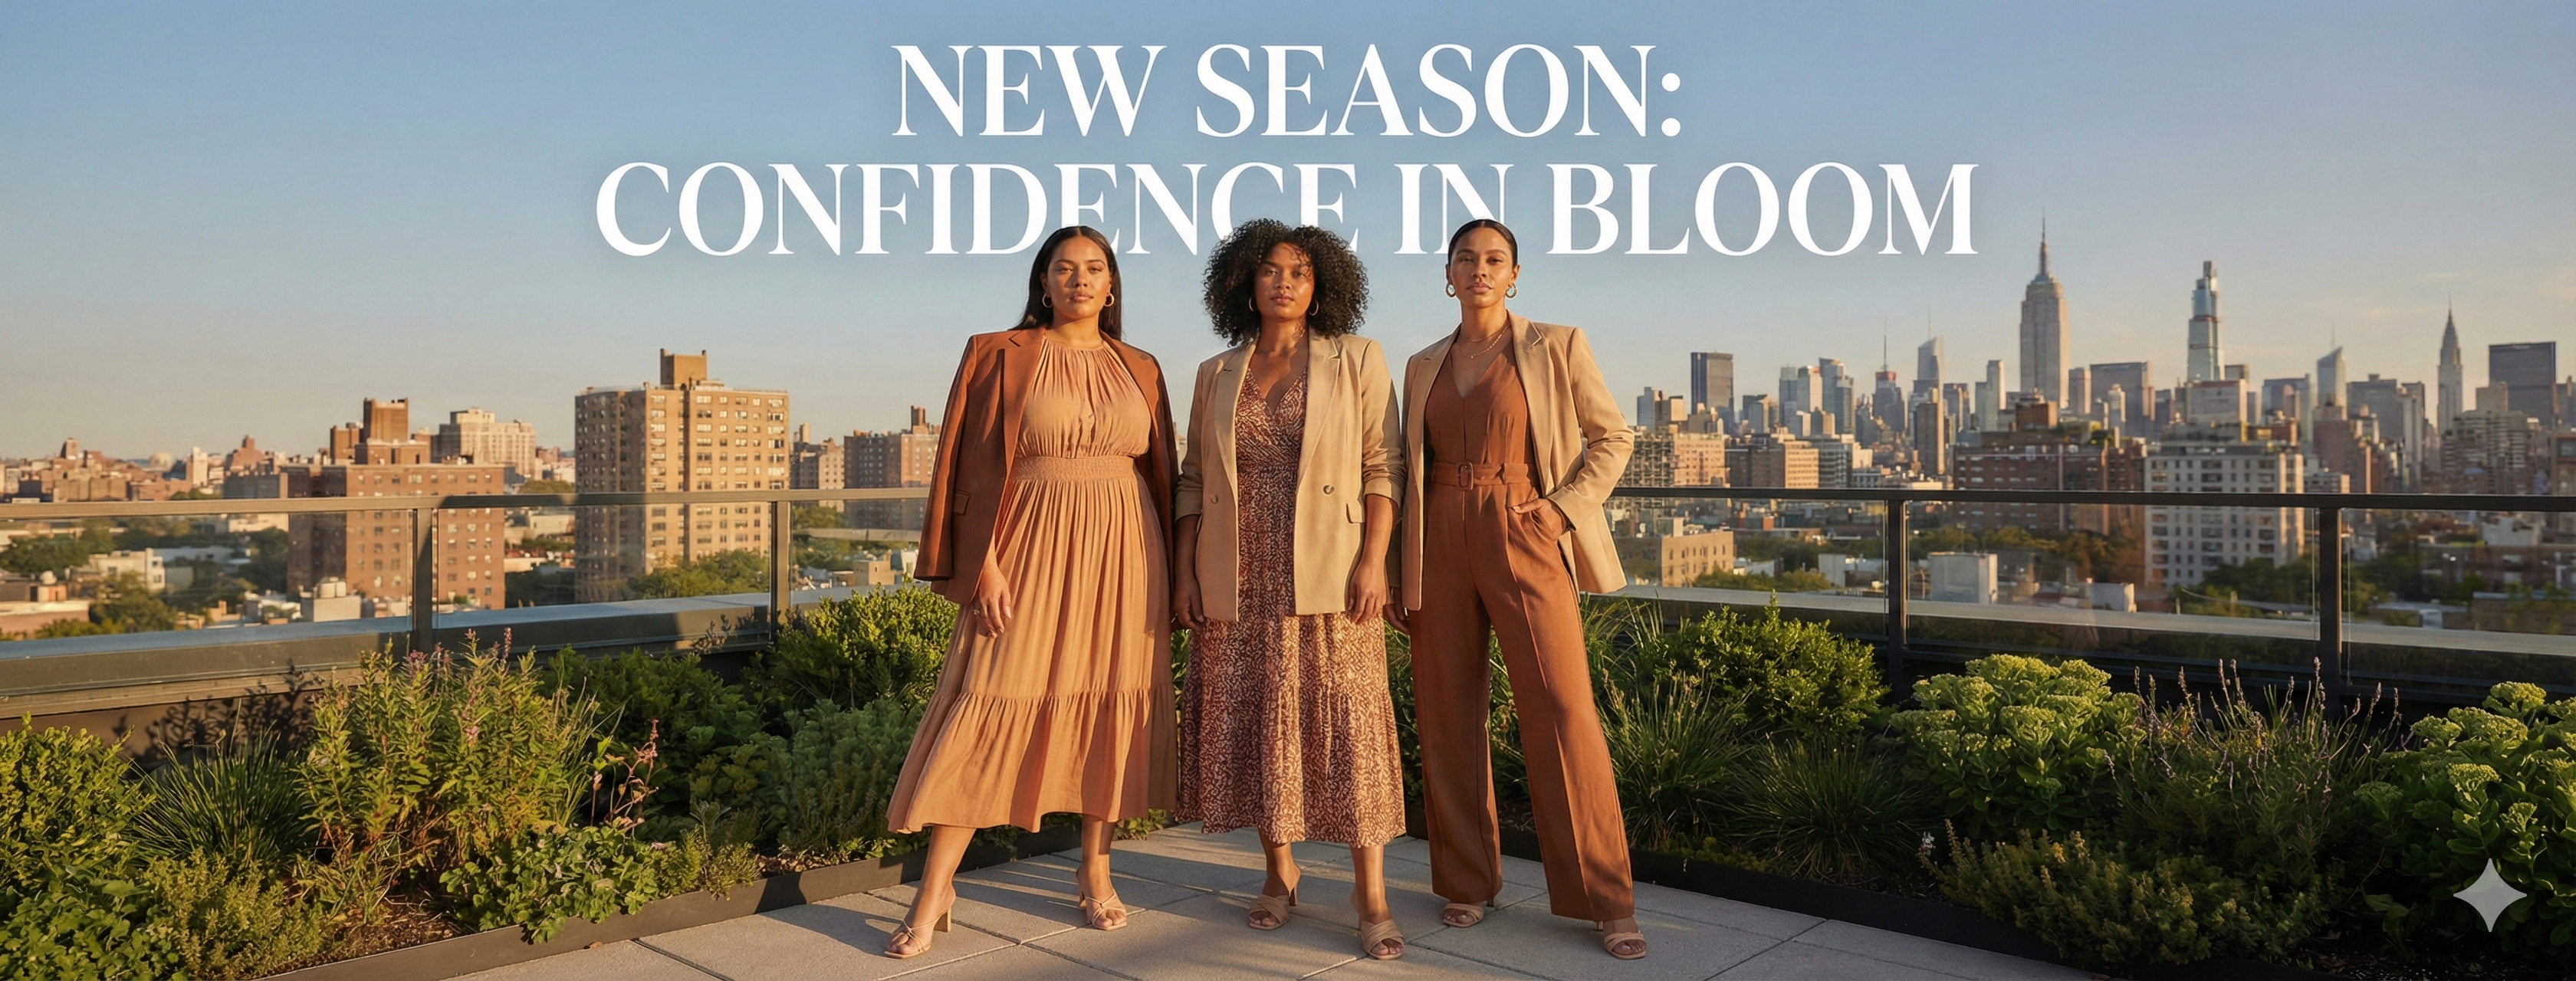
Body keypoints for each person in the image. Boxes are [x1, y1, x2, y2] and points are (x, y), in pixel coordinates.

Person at [882, 225, 1178, 959]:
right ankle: (935, 889)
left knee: (1110, 700)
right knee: (990, 693)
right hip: (1026, 543)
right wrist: (978, 561)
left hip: (1125, 549)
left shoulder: (1141, 365)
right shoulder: (997, 353)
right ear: (1042, 282)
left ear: (1112, 285)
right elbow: (959, 465)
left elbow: (1162, 473)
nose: (1080, 280)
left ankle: (1095, 871)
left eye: (1095, 268)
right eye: (1064, 268)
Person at [1396, 219, 1645, 960]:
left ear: (1514, 274)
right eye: (1466, 258)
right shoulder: (1421, 364)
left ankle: (1606, 899)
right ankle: (1467, 883)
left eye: (1494, 258)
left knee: (1563, 708)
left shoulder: (1556, 344)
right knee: (1446, 711)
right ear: (1448, 273)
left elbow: (1614, 438)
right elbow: (1402, 465)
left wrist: (1561, 508)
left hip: (1524, 525)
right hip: (1438, 532)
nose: (1479, 268)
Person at [1171, 220, 1407, 961]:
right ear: (1245, 281)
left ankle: (1371, 893)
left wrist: (1376, 560)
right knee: (1259, 720)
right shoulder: (1215, 371)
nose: (1284, 283)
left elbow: (1383, 464)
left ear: (1322, 284)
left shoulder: (1358, 358)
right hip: (1235, 569)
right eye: (1270, 270)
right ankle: (1280, 875)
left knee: (1347, 720)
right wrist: (1184, 569)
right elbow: (1192, 480)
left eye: (1300, 271)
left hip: (1332, 567)